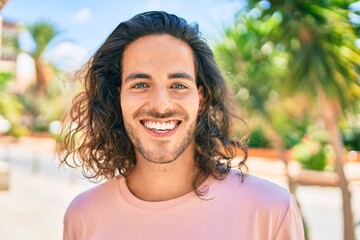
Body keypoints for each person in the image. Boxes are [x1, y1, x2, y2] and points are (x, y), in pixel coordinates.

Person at [59, 11, 304, 240]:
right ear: (117, 96)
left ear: (201, 97)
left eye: (178, 85)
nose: (161, 105)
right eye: (140, 84)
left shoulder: (271, 212)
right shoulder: (83, 218)